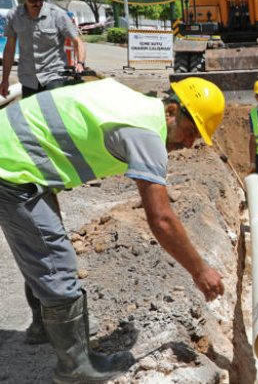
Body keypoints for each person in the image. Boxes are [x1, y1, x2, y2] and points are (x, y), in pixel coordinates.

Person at [0, 76, 226, 383]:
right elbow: (161, 220)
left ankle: (43, 327)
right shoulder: (147, 133)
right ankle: (75, 367)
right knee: (57, 262)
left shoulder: (136, 103)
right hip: (12, 165)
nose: (189, 144)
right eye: (190, 132)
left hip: (15, 149)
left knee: (44, 246)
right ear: (171, 111)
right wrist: (200, 270)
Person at [0, 0, 86, 99]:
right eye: (33, 1)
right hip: (29, 80)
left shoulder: (58, 15)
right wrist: (5, 80)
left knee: (53, 112)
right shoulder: (14, 16)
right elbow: (9, 49)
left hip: (55, 76)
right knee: (32, 116)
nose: (38, 4)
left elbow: (77, 41)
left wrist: (80, 63)